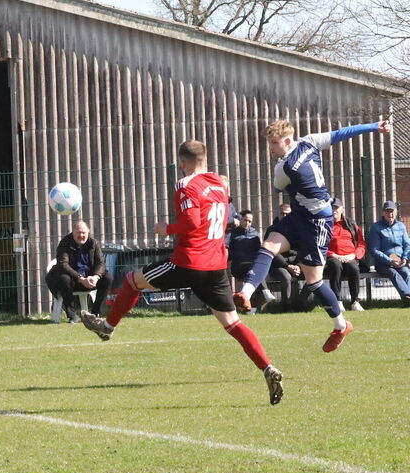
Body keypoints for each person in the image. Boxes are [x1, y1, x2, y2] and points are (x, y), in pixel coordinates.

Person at [81, 140, 284, 405]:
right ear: (205, 158)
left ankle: (107, 327)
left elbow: (192, 221)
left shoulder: (185, 184)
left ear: (182, 163)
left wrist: (166, 229)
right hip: (216, 265)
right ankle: (268, 367)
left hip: (188, 261)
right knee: (233, 324)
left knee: (132, 280)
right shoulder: (219, 184)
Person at [234, 119, 391, 352]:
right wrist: (374, 126)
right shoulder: (309, 141)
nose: (271, 148)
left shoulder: (282, 169)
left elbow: (277, 188)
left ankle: (341, 325)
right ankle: (245, 293)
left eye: (274, 143)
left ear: (287, 141)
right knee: (268, 246)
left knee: (314, 281)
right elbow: (341, 133)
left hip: (318, 223)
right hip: (299, 216)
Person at [45, 221, 109, 322]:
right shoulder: (64, 243)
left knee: (107, 278)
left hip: (88, 280)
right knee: (65, 279)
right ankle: (72, 316)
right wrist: (80, 278)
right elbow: (63, 265)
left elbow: (101, 263)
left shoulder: (94, 243)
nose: (81, 235)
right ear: (73, 232)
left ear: (88, 232)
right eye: (78, 233)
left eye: (83, 233)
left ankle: (95, 313)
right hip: (70, 280)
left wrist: (95, 277)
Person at [227, 210, 277, 309]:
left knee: (255, 270)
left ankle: (252, 308)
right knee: (255, 270)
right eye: (245, 220)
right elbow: (229, 252)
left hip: (252, 265)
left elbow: (259, 251)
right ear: (240, 220)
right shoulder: (231, 234)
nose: (247, 223)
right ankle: (266, 291)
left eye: (250, 221)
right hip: (238, 266)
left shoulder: (254, 234)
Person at [325, 197, 367, 311]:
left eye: (336, 208)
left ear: (342, 209)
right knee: (335, 265)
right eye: (331, 208)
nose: (334, 210)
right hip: (332, 257)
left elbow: (361, 244)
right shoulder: (325, 225)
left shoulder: (351, 224)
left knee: (353, 267)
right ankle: (337, 301)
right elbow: (320, 245)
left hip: (350, 256)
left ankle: (355, 302)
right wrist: (333, 255)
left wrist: (353, 255)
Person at [367, 201, 410, 304]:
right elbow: (374, 250)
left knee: (406, 272)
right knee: (393, 273)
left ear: (396, 212)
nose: (390, 214)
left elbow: (407, 245)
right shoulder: (376, 227)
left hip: (400, 261)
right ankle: (407, 296)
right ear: (383, 213)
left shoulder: (401, 226)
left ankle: (407, 298)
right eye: (387, 212)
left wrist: (404, 258)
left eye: (392, 211)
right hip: (383, 264)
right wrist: (390, 261)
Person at [263, 204, 304, 308]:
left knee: (313, 274)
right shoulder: (272, 230)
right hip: (278, 265)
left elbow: (303, 249)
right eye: (282, 214)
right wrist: (287, 266)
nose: (285, 216)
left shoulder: (299, 229)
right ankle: (285, 307)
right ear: (278, 214)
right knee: (286, 277)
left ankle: (301, 303)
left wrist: (299, 265)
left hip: (295, 264)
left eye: (287, 214)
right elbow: (271, 251)